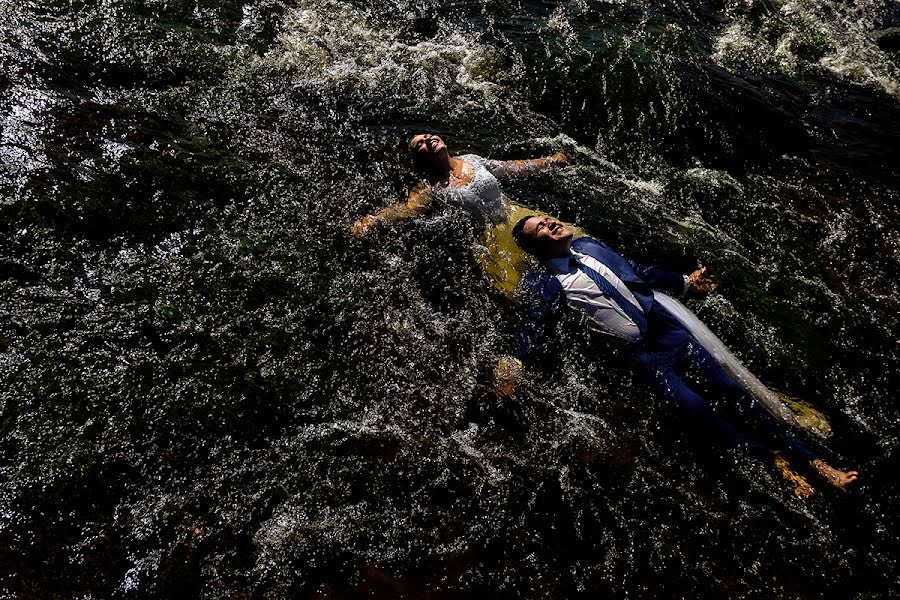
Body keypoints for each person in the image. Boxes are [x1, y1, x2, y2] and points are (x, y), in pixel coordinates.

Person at [500, 214, 859, 494]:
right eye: (541, 229)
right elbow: (535, 325)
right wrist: (516, 361)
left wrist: (685, 282)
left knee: (733, 392)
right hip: (640, 355)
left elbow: (638, 271)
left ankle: (815, 462)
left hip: (668, 332)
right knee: (696, 409)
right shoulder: (545, 282)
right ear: (537, 247)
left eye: (547, 220)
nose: (550, 223)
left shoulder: (590, 245)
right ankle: (774, 462)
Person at [350, 133, 571, 294]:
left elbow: (511, 168)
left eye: (428, 135)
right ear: (420, 159)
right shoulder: (429, 187)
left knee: (569, 247)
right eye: (420, 145)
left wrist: (550, 161)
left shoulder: (472, 160)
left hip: (516, 215)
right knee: (521, 287)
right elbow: (407, 210)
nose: (427, 138)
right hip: (493, 239)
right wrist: (373, 221)